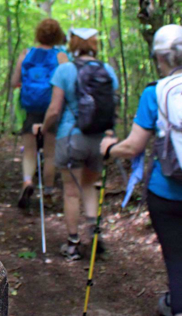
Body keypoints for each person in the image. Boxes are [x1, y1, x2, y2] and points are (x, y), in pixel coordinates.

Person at [99, 25, 182, 316]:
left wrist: (107, 149)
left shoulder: (156, 92)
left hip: (169, 195)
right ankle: (174, 300)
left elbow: (133, 147)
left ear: (159, 57)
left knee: (179, 264)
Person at [33, 28, 118, 260]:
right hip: (100, 139)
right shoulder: (107, 70)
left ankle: (72, 244)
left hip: (71, 137)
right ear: (94, 44)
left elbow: (54, 109)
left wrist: (43, 127)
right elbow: (111, 105)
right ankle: (93, 231)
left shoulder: (65, 70)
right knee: (90, 186)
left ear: (73, 43)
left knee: (71, 192)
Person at [11, 19, 68, 209]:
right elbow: (69, 84)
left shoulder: (26, 53)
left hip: (30, 107)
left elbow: (14, 81)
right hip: (52, 107)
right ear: (58, 35)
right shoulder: (61, 56)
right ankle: (48, 192)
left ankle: (27, 181)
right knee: (50, 153)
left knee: (29, 151)